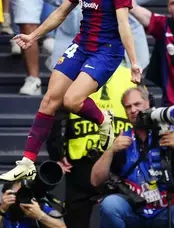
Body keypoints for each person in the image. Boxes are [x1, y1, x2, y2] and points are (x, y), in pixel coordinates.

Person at [0, 0, 142, 181]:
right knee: (49, 100)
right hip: (81, 44)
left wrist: (134, 62)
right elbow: (61, 12)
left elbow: (123, 24)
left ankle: (102, 119)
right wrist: (33, 36)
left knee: (72, 101)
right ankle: (28, 161)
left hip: (106, 50)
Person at [89, 87, 174, 228]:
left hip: (166, 208)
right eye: (128, 107)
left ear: (149, 103)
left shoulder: (171, 132)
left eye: (137, 104)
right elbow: (95, 181)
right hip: (135, 209)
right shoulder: (122, 138)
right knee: (110, 205)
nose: (133, 110)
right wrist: (111, 150)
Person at [46, 65, 135, 228]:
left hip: (112, 160)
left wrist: (57, 151)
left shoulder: (74, 72)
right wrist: (57, 151)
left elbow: (55, 111)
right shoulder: (130, 75)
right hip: (93, 161)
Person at [0, 180, 65, 228]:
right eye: (17, 194)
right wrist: (1, 211)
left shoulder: (40, 208)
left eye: (24, 194)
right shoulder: (0, 211)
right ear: (5, 195)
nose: (21, 198)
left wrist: (40, 216)